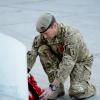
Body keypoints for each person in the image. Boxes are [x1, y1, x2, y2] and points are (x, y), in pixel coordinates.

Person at [27, 13, 96, 99]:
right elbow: (33, 52)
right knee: (42, 49)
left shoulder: (71, 35)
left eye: (46, 33)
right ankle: (58, 89)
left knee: (77, 91)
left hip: (79, 62)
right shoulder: (43, 36)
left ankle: (89, 88)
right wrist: (25, 71)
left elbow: (68, 62)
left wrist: (53, 87)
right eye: (42, 33)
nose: (44, 36)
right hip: (61, 59)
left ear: (54, 26)